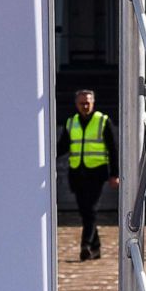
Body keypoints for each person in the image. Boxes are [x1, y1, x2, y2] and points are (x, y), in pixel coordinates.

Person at [57, 89, 119, 261]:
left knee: (90, 210)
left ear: (93, 103)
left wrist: (115, 174)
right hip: (77, 173)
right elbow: (62, 147)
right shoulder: (71, 122)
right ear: (76, 104)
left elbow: (113, 149)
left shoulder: (102, 121)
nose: (85, 106)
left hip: (96, 173)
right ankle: (96, 247)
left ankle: (85, 245)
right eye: (82, 103)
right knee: (85, 211)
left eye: (88, 102)